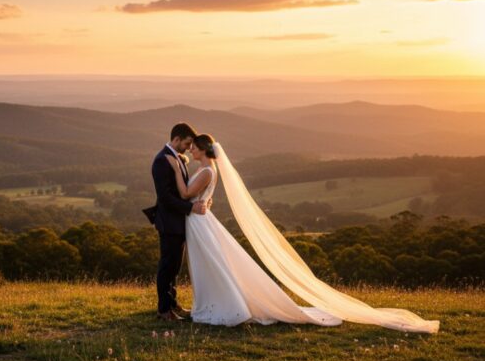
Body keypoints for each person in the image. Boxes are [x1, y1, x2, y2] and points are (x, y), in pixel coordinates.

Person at [163, 133, 439, 333]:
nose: (190, 151)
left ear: (200, 149)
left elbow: (186, 193)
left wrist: (176, 168)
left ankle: (221, 305)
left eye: (193, 148)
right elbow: (193, 196)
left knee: (211, 264)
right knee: (209, 264)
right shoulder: (207, 168)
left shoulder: (206, 171)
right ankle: (211, 303)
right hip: (198, 218)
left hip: (199, 221)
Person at [149, 122, 207, 321]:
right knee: (167, 266)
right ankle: (164, 310)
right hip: (169, 222)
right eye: (187, 143)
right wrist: (190, 208)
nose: (189, 148)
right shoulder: (161, 161)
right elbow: (165, 197)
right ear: (176, 139)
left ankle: (173, 304)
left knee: (175, 266)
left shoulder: (176, 158)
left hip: (179, 222)